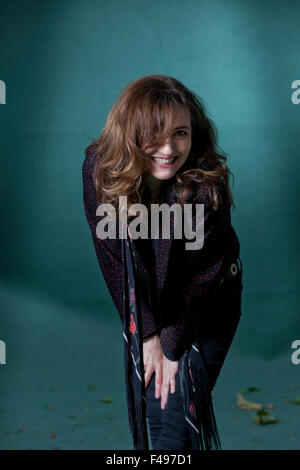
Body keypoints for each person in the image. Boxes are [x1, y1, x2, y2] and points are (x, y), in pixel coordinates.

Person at [82, 74, 243, 450]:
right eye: (155, 134)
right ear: (130, 134)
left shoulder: (206, 189)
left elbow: (198, 283)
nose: (169, 149)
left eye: (181, 133)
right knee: (159, 419)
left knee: (175, 425)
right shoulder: (100, 171)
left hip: (208, 303)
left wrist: (170, 346)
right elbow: (115, 262)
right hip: (152, 304)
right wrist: (148, 334)